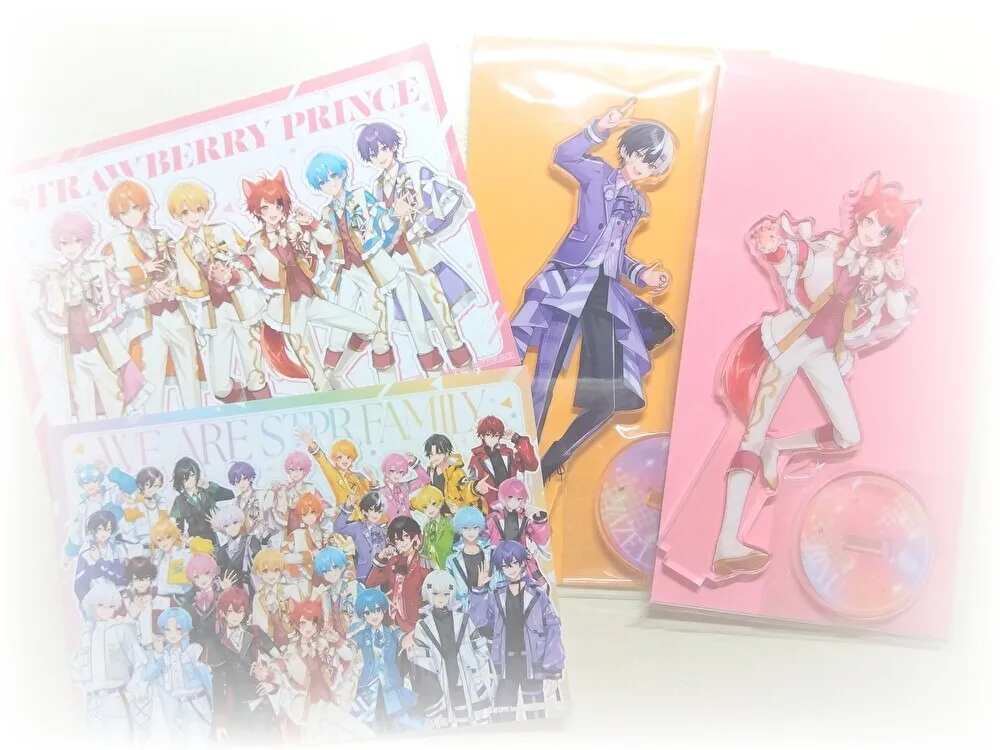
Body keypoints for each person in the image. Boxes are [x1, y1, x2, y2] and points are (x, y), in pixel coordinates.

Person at [711, 173, 919, 578]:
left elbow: (893, 313)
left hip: (824, 352)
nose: (872, 232)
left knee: (849, 436)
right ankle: (726, 543)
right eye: (870, 221)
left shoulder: (875, 272)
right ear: (860, 216)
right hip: (790, 343)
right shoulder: (829, 247)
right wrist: (772, 248)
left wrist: (893, 277)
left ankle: (779, 447)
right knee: (752, 435)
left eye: (883, 231)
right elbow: (794, 261)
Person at [509, 99, 675, 481]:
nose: (643, 167)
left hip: (603, 293)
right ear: (627, 150)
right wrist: (601, 126)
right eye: (641, 156)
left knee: (613, 394)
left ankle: (553, 457)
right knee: (545, 378)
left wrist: (643, 275)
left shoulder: (637, 203)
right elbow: (563, 155)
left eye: (652, 165)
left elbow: (617, 254)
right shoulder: (597, 174)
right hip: (569, 282)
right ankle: (519, 465)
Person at [242, 170, 379, 392]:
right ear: (257, 211)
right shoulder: (256, 241)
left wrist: (311, 223)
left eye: (277, 205)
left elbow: (328, 239)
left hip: (309, 297)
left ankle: (335, 372)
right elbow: (249, 271)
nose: (273, 212)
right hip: (286, 312)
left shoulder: (295, 226)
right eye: (265, 208)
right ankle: (326, 383)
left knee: (369, 328)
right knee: (319, 383)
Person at [359, 121, 477, 369]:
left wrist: (423, 227)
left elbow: (449, 197)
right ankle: (433, 373)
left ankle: (466, 368)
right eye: (373, 154)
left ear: (392, 145)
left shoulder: (414, 169)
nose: (380, 157)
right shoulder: (377, 187)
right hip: (396, 263)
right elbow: (379, 225)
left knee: (442, 315)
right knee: (414, 321)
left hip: (420, 256)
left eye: (383, 148)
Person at [30, 210, 151, 420]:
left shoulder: (98, 268)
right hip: (74, 348)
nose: (71, 248)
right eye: (65, 243)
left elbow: (120, 295)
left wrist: (144, 297)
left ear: (85, 241)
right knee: (82, 401)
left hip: (99, 344)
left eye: (76, 241)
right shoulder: (55, 275)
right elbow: (46, 308)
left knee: (113, 394)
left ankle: (122, 433)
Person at [304, 150, 407, 383]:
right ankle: (331, 374)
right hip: (347, 272)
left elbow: (381, 218)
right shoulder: (326, 212)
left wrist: (395, 214)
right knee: (341, 322)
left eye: (333, 176)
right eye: (323, 182)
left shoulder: (359, 195)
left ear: (342, 174)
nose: (330, 184)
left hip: (370, 270)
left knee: (378, 325)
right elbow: (325, 242)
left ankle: (389, 382)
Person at [167, 180, 271, 402]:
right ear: (177, 216)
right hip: (214, 315)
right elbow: (188, 285)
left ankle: (264, 409)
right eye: (185, 212)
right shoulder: (180, 247)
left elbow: (251, 257)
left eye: (198, 209)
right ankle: (242, 402)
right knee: (220, 388)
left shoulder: (223, 229)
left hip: (243, 308)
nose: (194, 216)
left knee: (256, 376)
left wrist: (233, 274)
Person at [102, 179, 201, 413]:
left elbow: (182, 268)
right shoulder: (115, 246)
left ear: (144, 206)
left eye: (135, 207)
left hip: (177, 314)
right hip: (148, 322)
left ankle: (200, 419)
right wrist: (142, 280)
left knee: (190, 373)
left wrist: (174, 284)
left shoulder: (163, 235)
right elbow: (108, 287)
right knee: (153, 379)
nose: (131, 215)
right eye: (124, 212)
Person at [468, 541, 564, 721]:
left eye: (513, 563)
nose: (510, 569)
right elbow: (478, 622)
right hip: (504, 664)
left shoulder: (537, 594)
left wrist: (553, 671)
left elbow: (552, 628)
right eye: (505, 566)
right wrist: (480, 590)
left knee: (536, 716)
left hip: (533, 663)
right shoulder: (496, 594)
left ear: (522, 563)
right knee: (503, 718)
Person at [274, 599, 371, 740]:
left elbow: (348, 655)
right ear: (297, 624)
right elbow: (282, 665)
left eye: (313, 622)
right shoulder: (293, 648)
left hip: (329, 698)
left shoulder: (324, 641)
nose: (308, 627)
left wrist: (336, 641)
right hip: (309, 702)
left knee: (356, 731)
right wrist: (269, 672)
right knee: (313, 737)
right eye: (303, 623)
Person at [409, 570, 494, 726]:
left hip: (467, 680)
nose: (441, 598)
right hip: (440, 684)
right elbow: (421, 662)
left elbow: (480, 646)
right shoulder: (423, 626)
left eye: (445, 594)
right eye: (436, 593)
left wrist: (473, 667)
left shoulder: (463, 619)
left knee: (469, 724)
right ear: (428, 593)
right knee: (447, 727)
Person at [71, 582, 151, 741]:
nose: (105, 610)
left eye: (110, 606)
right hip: (93, 702)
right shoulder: (85, 635)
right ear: (92, 605)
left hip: (116, 698)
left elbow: (142, 663)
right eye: (101, 605)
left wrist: (133, 692)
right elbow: (75, 668)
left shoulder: (122, 630)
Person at [210, 587, 281, 741]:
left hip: (260, 703)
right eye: (230, 611)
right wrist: (220, 722)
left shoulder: (255, 633)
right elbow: (217, 681)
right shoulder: (216, 641)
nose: (235, 616)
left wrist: (272, 684)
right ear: (222, 612)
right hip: (235, 707)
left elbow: (281, 660)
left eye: (240, 611)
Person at [351, 588, 421, 731]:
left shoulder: (392, 631)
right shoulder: (362, 634)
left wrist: (414, 636)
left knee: (396, 720)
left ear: (383, 610)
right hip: (369, 684)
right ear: (363, 615)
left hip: (391, 682)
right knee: (369, 721)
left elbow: (404, 640)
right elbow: (351, 645)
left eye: (377, 610)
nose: (373, 615)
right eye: (368, 612)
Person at [141, 607, 214, 739]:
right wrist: (158, 653)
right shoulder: (164, 653)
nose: (172, 634)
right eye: (167, 629)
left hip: (197, 704)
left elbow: (208, 678)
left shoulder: (193, 650)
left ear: (185, 629)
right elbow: (147, 675)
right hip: (177, 709)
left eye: (178, 628)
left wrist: (215, 705)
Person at [365, 516, 431, 633]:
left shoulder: (423, 562)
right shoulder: (393, 561)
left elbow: (431, 594)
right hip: (393, 621)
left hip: (415, 621)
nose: (401, 542)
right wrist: (381, 557)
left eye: (405, 536)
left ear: (415, 536)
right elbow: (370, 584)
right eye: (397, 539)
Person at [484, 478, 550, 588]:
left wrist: (539, 519)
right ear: (504, 496)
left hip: (520, 560)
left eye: (519, 498)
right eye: (510, 497)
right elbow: (483, 537)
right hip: (499, 560)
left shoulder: (523, 518)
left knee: (540, 586)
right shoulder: (494, 518)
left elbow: (542, 539)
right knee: (497, 589)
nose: (514, 502)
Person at [468, 416, 538, 510]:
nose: (492, 438)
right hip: (489, 508)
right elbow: (468, 484)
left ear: (500, 436)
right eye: (488, 435)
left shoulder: (509, 454)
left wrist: (516, 438)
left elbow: (532, 465)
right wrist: (476, 487)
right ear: (482, 436)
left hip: (513, 504)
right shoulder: (476, 460)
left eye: (496, 435)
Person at [169, 456, 235, 546]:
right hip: (195, 545)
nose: (190, 480)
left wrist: (208, 486)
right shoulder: (180, 500)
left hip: (214, 542)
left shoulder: (207, 492)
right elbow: (174, 527)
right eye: (185, 478)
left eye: (192, 475)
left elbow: (230, 495)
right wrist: (185, 540)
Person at [331, 491, 389, 580]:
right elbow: (338, 527)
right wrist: (347, 507)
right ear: (364, 511)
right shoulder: (357, 527)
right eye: (372, 510)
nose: (376, 514)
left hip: (380, 574)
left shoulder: (383, 529)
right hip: (363, 573)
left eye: (379, 512)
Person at [444, 506, 496, 605]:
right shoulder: (452, 560)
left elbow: (498, 585)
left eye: (475, 527)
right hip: (464, 609)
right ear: (459, 529)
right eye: (465, 528)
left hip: (489, 607)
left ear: (480, 528)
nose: (471, 532)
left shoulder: (491, 554)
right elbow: (450, 590)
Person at [73, 509, 127, 602]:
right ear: (94, 528)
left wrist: (99, 561)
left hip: (117, 599)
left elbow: (123, 578)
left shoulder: (118, 549)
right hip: (95, 601)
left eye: (108, 530)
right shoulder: (86, 551)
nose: (104, 533)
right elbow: (80, 585)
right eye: (100, 529)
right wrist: (89, 604)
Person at [115, 466, 169, 557]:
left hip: (159, 548)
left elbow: (166, 523)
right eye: (148, 485)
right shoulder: (132, 501)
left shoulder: (161, 502)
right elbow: (125, 528)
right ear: (140, 485)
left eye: (156, 486)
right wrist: (132, 506)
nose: (151, 489)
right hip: (139, 550)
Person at [313, 546, 364, 638]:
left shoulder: (354, 586)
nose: (331, 573)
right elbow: (326, 621)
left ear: (342, 566)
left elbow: (366, 610)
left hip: (357, 635)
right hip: (336, 639)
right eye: (325, 571)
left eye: (335, 567)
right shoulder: (325, 594)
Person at [211, 504, 262, 594]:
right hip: (232, 594)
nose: (231, 528)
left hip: (251, 590)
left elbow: (260, 566)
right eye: (226, 525)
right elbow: (219, 575)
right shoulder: (222, 551)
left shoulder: (251, 541)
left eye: (235, 522)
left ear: (241, 522)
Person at [421, 433, 479, 511]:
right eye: (431, 454)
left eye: (438, 453)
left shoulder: (457, 472)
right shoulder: (430, 472)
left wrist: (459, 508)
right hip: (438, 514)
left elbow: (467, 495)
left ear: (447, 452)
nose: (435, 457)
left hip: (455, 514)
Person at [250, 548, 294, 649]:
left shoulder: (290, 590)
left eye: (276, 570)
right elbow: (260, 627)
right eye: (265, 571)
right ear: (258, 572)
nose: (271, 575)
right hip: (271, 645)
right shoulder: (258, 598)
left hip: (294, 640)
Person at [409, 485, 454, 570]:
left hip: (450, 568)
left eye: (433, 504)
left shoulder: (450, 522)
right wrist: (419, 548)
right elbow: (426, 552)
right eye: (425, 507)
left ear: (440, 503)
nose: (430, 509)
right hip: (434, 571)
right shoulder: (427, 527)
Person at [377, 451, 429, 521]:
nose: (397, 475)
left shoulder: (404, 487)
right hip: (391, 526)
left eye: (401, 472)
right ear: (385, 470)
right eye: (392, 471)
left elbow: (425, 479)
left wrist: (414, 463)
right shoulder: (381, 492)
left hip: (409, 524)